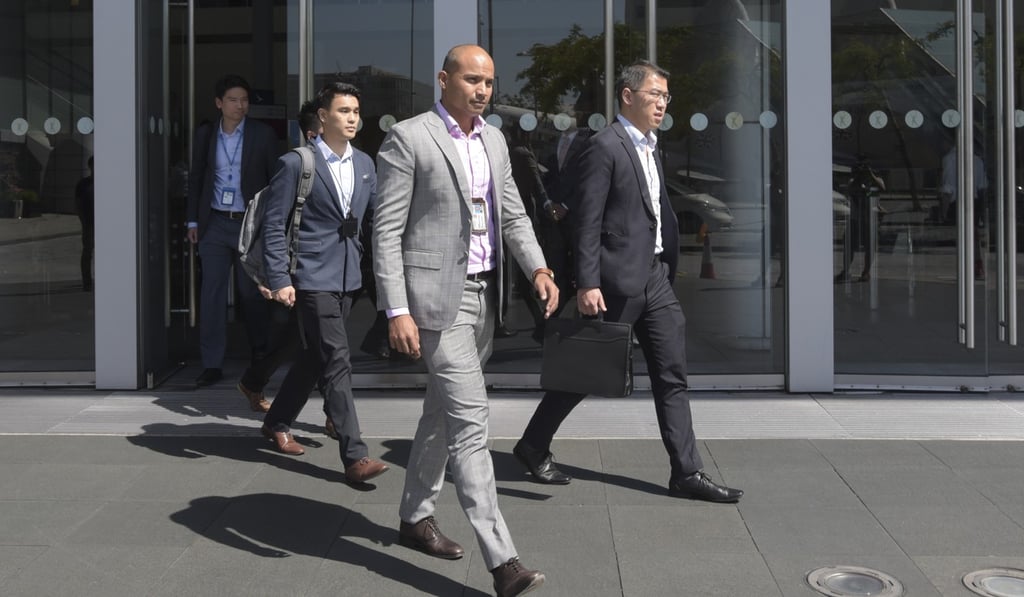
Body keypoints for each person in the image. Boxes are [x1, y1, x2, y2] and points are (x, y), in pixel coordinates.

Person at [513, 60, 743, 505]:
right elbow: (587, 219)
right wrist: (587, 281)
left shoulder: (652, 146)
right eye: (655, 95)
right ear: (627, 96)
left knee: (671, 374)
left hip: (655, 277)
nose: (662, 104)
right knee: (585, 370)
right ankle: (532, 445)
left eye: (666, 97)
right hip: (615, 280)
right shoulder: (605, 145)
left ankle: (686, 472)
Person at [373, 44, 558, 597]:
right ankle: (504, 561)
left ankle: (413, 517)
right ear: (444, 79)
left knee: (440, 411)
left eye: (489, 82)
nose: (482, 90)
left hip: (483, 298)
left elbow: (513, 213)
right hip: (433, 303)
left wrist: (539, 268)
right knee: (472, 423)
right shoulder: (410, 138)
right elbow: (385, 232)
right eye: (472, 79)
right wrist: (396, 309)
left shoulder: (496, 139)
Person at [258, 82, 389, 485]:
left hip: (349, 275)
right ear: (323, 116)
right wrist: (279, 278)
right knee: (336, 359)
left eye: (356, 111)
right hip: (311, 276)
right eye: (344, 111)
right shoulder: (298, 163)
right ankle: (355, 454)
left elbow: (371, 221)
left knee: (315, 357)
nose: (352, 118)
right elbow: (273, 225)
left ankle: (278, 420)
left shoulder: (366, 164)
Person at [187, 74, 280, 388]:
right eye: (233, 100)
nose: (240, 105)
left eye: (244, 100)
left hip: (248, 224)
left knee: (250, 292)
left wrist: (271, 225)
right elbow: (196, 177)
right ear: (219, 103)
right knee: (211, 295)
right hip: (214, 222)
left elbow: (274, 181)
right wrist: (192, 221)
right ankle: (211, 363)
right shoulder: (206, 135)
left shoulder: (261, 135)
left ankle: (258, 352)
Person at [236, 99, 322, 413]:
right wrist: (272, 276)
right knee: (318, 343)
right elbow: (272, 225)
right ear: (315, 132)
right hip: (296, 267)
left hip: (325, 268)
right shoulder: (296, 167)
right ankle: (335, 417)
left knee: (303, 339)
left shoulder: (348, 166)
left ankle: (254, 381)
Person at [835, 154, 885, 283]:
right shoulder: (854, 181)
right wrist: (859, 177)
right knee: (849, 246)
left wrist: (870, 175)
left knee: (870, 246)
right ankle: (846, 270)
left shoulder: (875, 179)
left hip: (870, 218)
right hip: (856, 219)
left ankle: (866, 271)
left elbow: (881, 188)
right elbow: (851, 189)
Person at [74, 156, 95, 291]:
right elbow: (78, 204)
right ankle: (87, 282)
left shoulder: (107, 182)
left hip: (103, 225)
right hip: (89, 223)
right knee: (87, 252)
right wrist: (83, 221)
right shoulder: (83, 184)